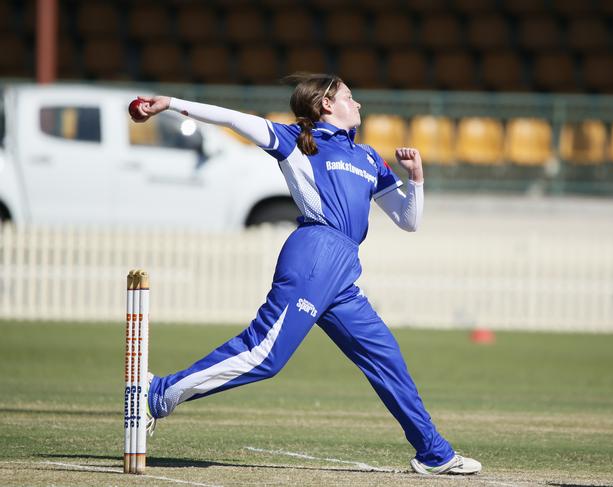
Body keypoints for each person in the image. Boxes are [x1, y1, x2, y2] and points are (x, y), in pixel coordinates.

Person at [133, 73, 481, 476]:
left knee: (387, 359)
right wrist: (171, 103)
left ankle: (433, 454)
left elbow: (409, 220)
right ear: (326, 105)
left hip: (343, 269)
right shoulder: (295, 140)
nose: (359, 105)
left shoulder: (369, 158)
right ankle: (158, 393)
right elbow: (231, 119)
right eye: (351, 98)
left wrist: (416, 178)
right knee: (266, 354)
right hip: (314, 253)